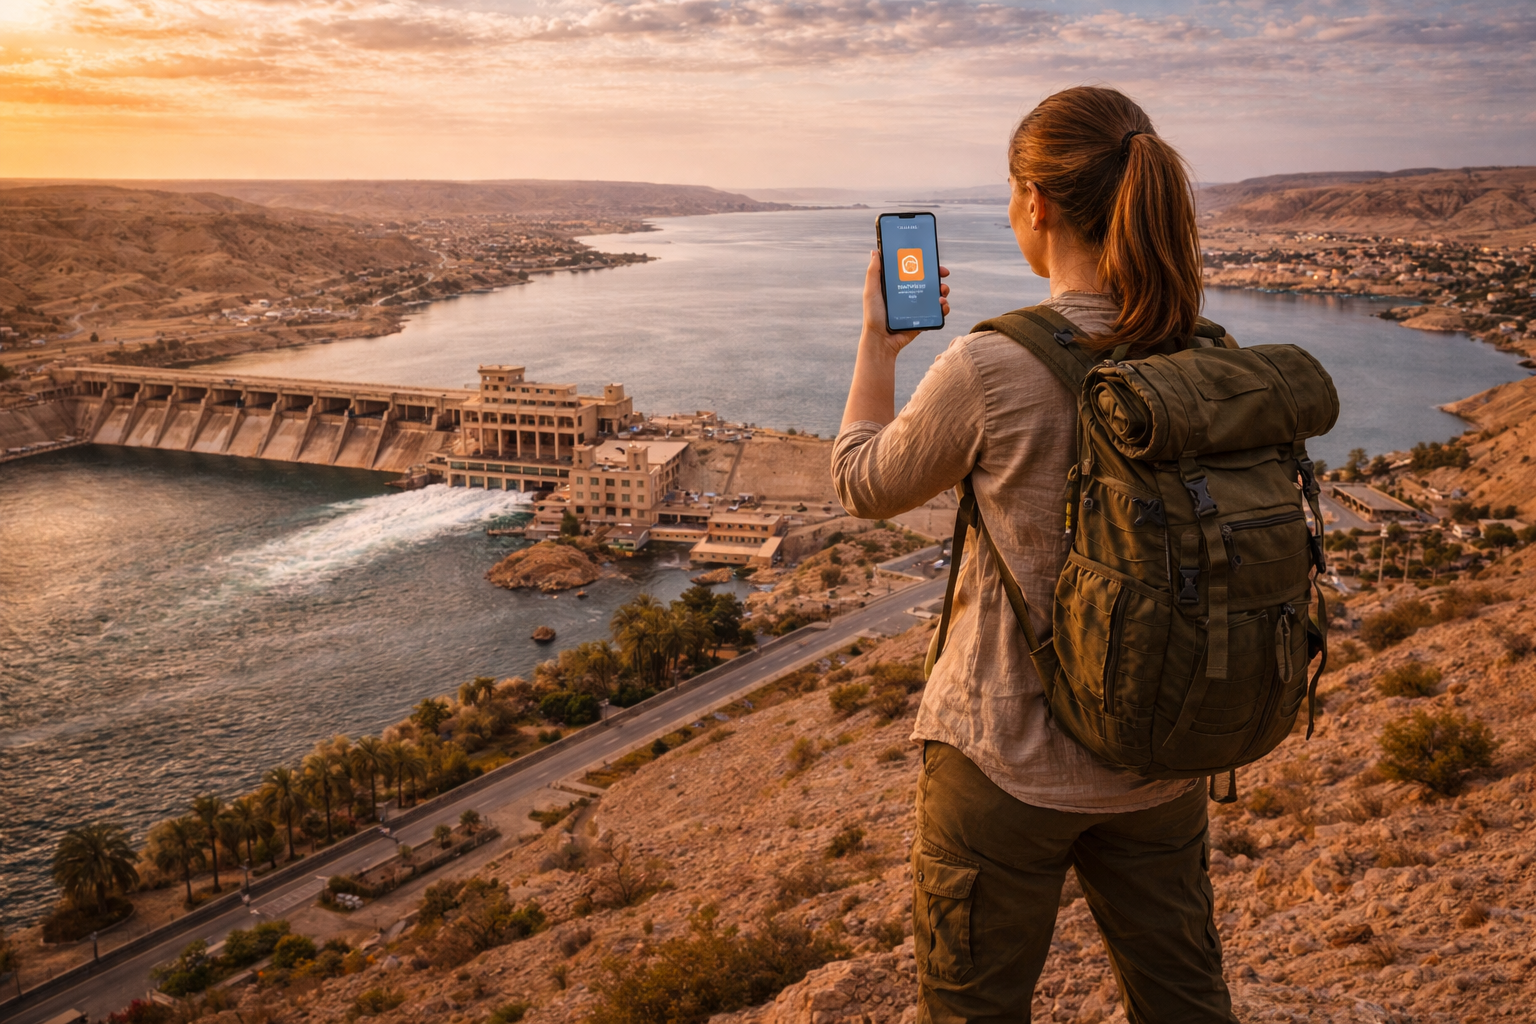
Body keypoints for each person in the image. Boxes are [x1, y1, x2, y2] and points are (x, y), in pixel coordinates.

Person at [832, 86, 1236, 1023]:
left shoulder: (992, 365)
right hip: (1159, 749)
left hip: (1004, 754)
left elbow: (862, 482)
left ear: (1037, 205)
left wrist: (878, 344)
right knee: (1185, 1000)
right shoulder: (1203, 353)